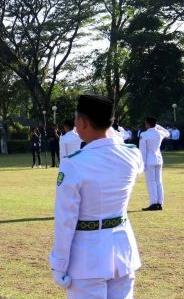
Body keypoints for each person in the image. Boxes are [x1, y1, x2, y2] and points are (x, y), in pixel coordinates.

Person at [50, 94, 143, 298]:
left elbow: (66, 219)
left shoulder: (74, 163)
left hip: (87, 256)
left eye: (76, 118)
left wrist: (59, 263)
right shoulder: (132, 154)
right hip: (122, 250)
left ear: (82, 122)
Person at [139, 116, 170, 211]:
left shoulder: (144, 134)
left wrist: (142, 164)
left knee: (151, 182)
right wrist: (158, 126)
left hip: (149, 160)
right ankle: (160, 203)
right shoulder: (159, 133)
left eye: (146, 123)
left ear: (148, 124)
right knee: (159, 182)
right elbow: (168, 133)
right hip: (158, 159)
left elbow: (142, 151)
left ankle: (153, 203)